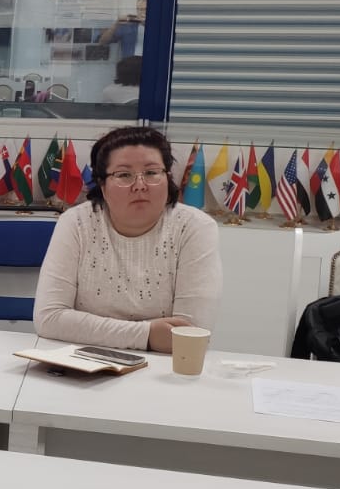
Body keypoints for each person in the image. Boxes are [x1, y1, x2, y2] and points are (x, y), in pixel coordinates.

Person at [34, 126, 222, 352]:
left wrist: (90, 329)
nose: (140, 185)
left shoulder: (194, 227)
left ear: (167, 177)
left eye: (151, 173)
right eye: (124, 175)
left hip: (164, 366)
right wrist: (147, 334)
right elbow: (49, 317)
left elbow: (190, 334)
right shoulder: (76, 223)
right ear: (103, 186)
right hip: (81, 359)